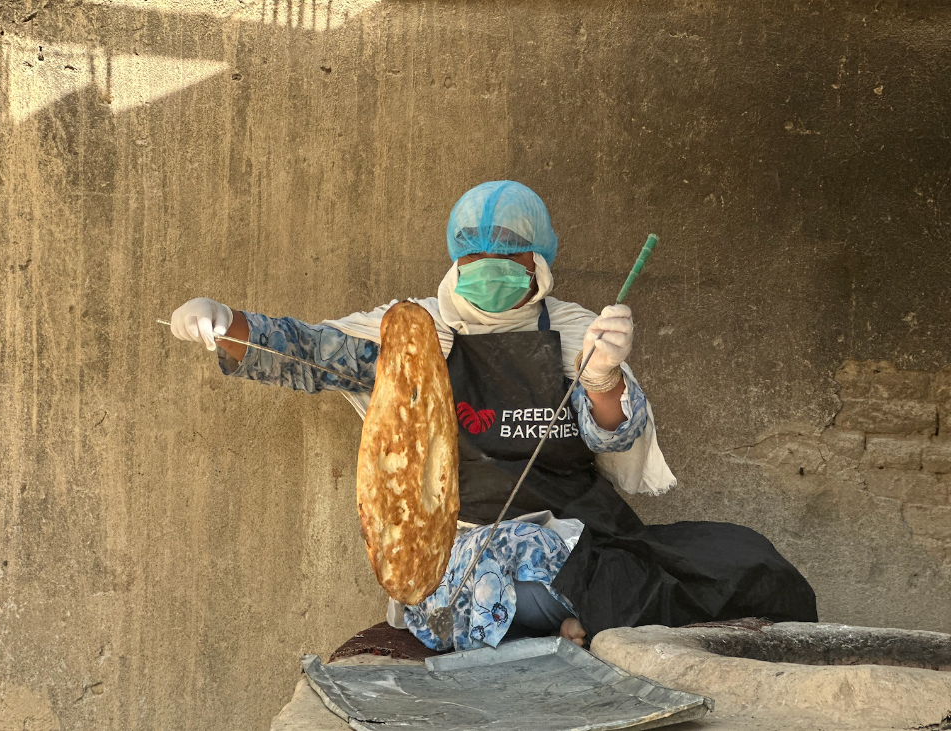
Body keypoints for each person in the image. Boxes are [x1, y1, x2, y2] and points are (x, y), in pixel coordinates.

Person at [169, 180, 818, 652]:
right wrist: (228, 326)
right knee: (513, 572)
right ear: (456, 263)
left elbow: (618, 443)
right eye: (475, 263)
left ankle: (563, 616)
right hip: (464, 545)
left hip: (580, 532)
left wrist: (604, 379)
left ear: (536, 264)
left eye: (506, 263)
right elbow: (313, 353)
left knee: (746, 562)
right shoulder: (416, 333)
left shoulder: (574, 331)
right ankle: (561, 620)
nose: (489, 275)